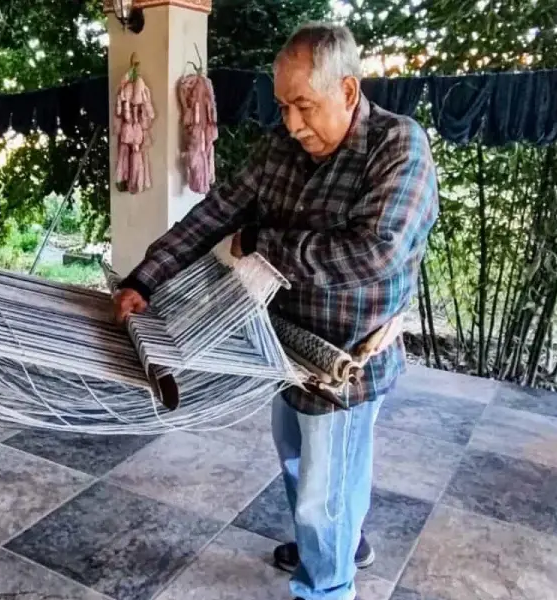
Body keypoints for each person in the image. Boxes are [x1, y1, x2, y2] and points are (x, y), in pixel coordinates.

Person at [112, 22, 439, 600]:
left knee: (324, 489)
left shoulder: (399, 146)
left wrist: (264, 241)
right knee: (296, 459)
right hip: (281, 345)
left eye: (304, 106)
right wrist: (147, 277)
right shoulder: (281, 146)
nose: (291, 123)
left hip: (345, 361)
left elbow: (376, 254)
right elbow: (218, 212)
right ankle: (338, 542)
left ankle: (328, 584)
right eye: (285, 105)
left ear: (347, 91)